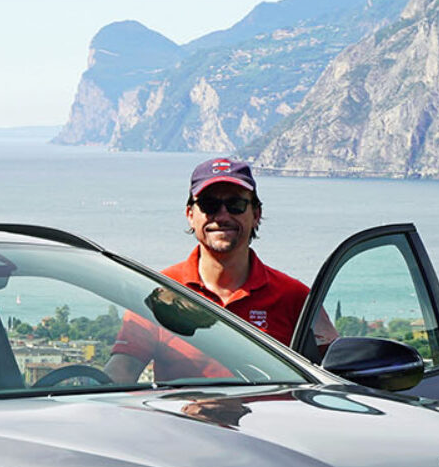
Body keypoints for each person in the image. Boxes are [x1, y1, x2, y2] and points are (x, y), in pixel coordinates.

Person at [105, 157, 334, 382]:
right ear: (190, 215)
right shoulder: (159, 293)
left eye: (235, 205)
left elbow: (338, 370)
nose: (223, 216)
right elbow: (122, 371)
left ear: (256, 214)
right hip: (182, 421)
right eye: (209, 205)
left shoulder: (294, 297)